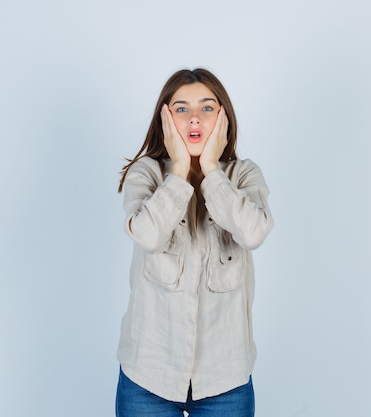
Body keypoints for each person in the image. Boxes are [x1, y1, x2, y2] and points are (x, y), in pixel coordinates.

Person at [115, 68, 274, 417]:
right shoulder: (146, 174)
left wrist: (212, 171)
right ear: (165, 119)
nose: (194, 118)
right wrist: (181, 170)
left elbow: (254, 232)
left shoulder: (244, 175)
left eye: (207, 107)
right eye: (181, 108)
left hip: (225, 380)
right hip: (148, 378)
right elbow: (148, 235)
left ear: (223, 116)